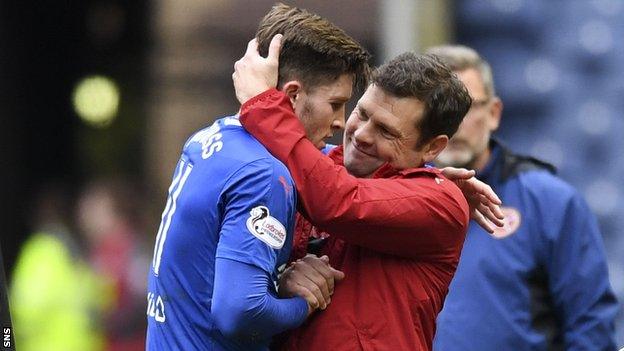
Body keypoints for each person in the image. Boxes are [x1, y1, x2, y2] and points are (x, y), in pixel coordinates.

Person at [232, 40, 504, 349]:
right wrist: (283, 284)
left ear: (432, 148)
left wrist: (263, 102)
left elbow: (339, 201)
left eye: (386, 131)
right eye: (362, 113)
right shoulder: (314, 169)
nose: (361, 135)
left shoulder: (441, 202)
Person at [146, 4, 369, 350]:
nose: (342, 121)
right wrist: (306, 302)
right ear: (293, 96)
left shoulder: (211, 138)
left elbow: (328, 166)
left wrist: (425, 176)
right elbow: (239, 310)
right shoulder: (265, 175)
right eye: (336, 104)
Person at [427, 45, 619, 350]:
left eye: (467, 108)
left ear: (493, 114)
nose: (453, 124)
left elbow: (590, 324)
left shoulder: (551, 202)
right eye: (440, 111)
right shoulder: (387, 199)